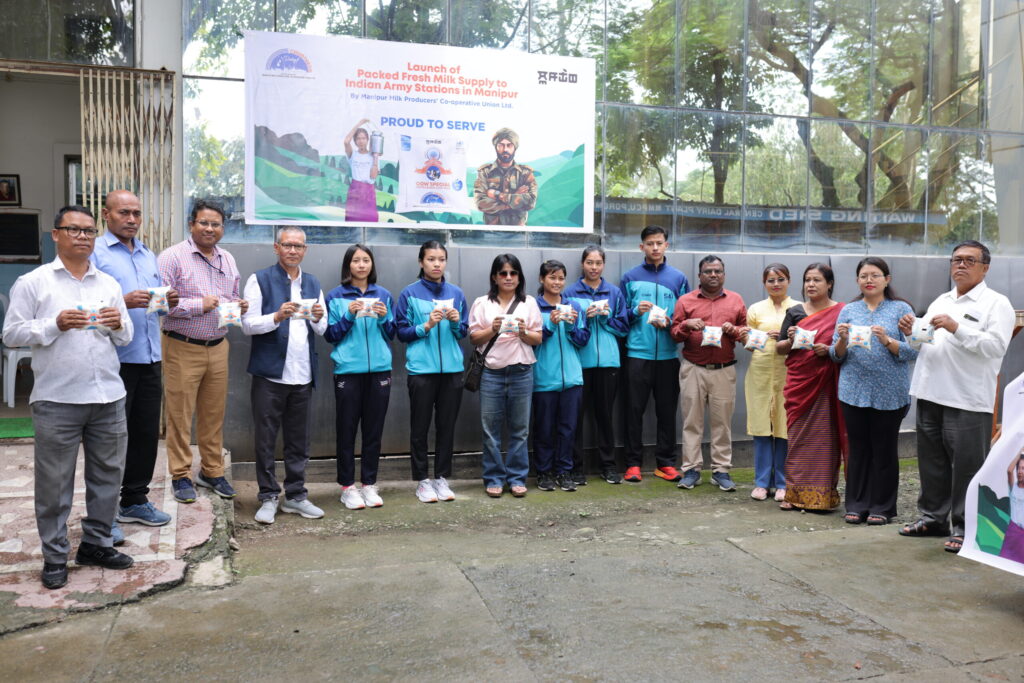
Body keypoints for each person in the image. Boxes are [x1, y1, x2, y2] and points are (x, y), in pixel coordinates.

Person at [3, 205, 135, 589]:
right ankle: (55, 555)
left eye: (89, 231)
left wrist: (118, 324)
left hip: (108, 396)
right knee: (54, 485)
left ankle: (97, 544)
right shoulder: (34, 282)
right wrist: (54, 324)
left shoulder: (108, 284)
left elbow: (125, 335)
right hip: (57, 399)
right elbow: (11, 333)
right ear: (56, 234)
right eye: (73, 229)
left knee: (108, 478)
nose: (82, 237)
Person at [897, 241, 1015, 553]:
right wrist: (910, 331)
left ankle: (966, 526)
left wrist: (956, 327)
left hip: (967, 398)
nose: (960, 265)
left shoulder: (996, 303)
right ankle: (934, 518)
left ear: (985, 267)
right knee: (931, 462)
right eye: (956, 260)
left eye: (969, 260)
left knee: (967, 466)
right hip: (930, 392)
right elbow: (923, 342)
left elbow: (996, 347)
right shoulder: (942, 300)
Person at [90, 190, 176, 538]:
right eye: (124, 212)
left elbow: (154, 306)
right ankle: (105, 514)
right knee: (110, 440)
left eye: (136, 213)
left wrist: (166, 300)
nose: (131, 219)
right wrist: (122, 302)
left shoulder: (147, 254)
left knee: (144, 433)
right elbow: (86, 303)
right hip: (114, 361)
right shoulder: (95, 252)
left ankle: (135, 500)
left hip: (150, 356)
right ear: (105, 214)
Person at [158, 199, 247, 504]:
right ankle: (180, 475)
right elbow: (160, 305)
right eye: (204, 223)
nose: (210, 229)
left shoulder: (228, 259)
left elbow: (231, 295)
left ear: (223, 228)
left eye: (216, 224)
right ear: (191, 224)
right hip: (182, 346)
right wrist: (199, 304)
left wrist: (239, 306)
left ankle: (211, 471)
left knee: (213, 415)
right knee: (180, 415)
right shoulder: (172, 257)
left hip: (218, 346)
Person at [241, 227, 327, 524]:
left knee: (298, 440)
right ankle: (267, 496)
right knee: (265, 439)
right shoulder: (259, 279)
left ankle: (295, 495)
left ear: (305, 250)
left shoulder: (313, 282)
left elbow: (322, 328)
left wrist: (317, 318)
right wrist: (276, 316)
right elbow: (248, 325)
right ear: (276, 247)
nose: (293, 250)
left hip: (302, 374)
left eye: (298, 246)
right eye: (287, 245)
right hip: (270, 375)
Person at [830, 257, 917, 526]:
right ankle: (856, 504)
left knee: (884, 449)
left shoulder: (901, 309)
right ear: (857, 280)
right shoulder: (849, 310)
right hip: (853, 390)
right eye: (864, 276)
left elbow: (913, 351)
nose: (869, 280)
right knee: (858, 449)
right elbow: (835, 355)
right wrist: (842, 339)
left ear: (887, 279)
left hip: (890, 392)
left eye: (875, 275)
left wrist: (887, 340)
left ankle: (883, 506)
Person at [394, 240, 468, 504]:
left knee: (446, 427)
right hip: (421, 370)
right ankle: (422, 480)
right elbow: (401, 332)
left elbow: (464, 331)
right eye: (431, 259)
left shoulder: (457, 293)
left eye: (441, 259)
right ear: (421, 262)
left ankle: (442, 478)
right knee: (420, 427)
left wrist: (457, 323)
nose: (437, 264)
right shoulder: (409, 293)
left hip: (452, 371)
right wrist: (425, 325)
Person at [324, 244, 396, 509]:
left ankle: (369, 484)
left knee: (373, 430)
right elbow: (331, 335)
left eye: (366, 260)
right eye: (356, 261)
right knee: (346, 429)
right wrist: (349, 315)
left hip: (380, 370)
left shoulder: (384, 295)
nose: (362, 265)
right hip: (348, 371)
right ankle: (347, 486)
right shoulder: (335, 296)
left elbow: (392, 333)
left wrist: (384, 317)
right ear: (348, 265)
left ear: (372, 264)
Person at [670, 255, 747, 492]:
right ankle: (691, 470)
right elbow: (674, 333)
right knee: (691, 422)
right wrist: (686, 325)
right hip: (693, 367)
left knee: (722, 423)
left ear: (724, 274)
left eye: (717, 271)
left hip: (723, 369)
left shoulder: (735, 300)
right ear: (699, 275)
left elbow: (746, 332)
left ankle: (721, 470)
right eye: (708, 271)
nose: (713, 275)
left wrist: (734, 330)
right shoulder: (686, 300)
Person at [468, 254, 543, 497]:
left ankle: (517, 478)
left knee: (520, 429)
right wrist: (493, 328)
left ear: (519, 277)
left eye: (513, 273)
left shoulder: (529, 302)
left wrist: (523, 332)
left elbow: (538, 338)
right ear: (494, 277)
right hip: (491, 372)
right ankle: (494, 477)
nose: (508, 277)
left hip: (521, 371)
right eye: (503, 273)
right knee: (490, 430)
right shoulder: (482, 303)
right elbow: (474, 338)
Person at [619, 225, 690, 483]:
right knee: (633, 411)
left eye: (659, 243)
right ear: (642, 247)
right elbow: (619, 317)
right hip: (637, 355)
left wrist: (670, 323)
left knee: (667, 412)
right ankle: (633, 464)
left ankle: (666, 463)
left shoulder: (679, 278)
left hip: (668, 357)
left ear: (666, 245)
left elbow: (685, 318)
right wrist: (634, 311)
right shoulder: (630, 277)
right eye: (650, 243)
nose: (655, 247)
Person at [776, 263, 845, 512]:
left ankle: (823, 496)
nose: (811, 285)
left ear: (829, 284)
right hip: (800, 383)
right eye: (807, 280)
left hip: (826, 383)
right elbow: (779, 348)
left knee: (825, 441)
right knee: (798, 440)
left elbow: (845, 346)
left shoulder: (841, 312)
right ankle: (794, 493)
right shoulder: (794, 311)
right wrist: (790, 339)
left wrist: (829, 350)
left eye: (817, 280)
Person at [565, 245, 629, 485]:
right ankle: (575, 467)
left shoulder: (614, 292)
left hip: (609, 363)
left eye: (598, 263)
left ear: (604, 265)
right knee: (576, 418)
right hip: (579, 363)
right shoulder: (570, 292)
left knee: (605, 416)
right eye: (589, 262)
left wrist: (605, 318)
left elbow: (623, 328)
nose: (594, 267)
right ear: (583, 264)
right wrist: (586, 318)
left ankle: (608, 466)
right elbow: (568, 327)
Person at [533, 260, 590, 493]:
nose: (557, 282)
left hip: (573, 378)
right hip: (544, 378)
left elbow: (583, 340)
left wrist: (570, 326)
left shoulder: (573, 306)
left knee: (568, 429)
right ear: (542, 279)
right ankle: (543, 472)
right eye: (552, 277)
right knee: (544, 429)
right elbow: (531, 341)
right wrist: (550, 325)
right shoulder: (533, 307)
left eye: (561, 278)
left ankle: (564, 471)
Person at [743, 263, 798, 501]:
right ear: (764, 283)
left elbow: (805, 340)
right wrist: (748, 337)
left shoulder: (798, 308)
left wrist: (786, 337)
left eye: (781, 279)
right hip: (760, 372)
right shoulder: (755, 309)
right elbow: (749, 343)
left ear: (789, 281)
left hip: (788, 373)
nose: (776, 284)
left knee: (784, 428)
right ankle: (762, 482)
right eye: (771, 280)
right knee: (761, 426)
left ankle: (783, 482)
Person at [473, 128, 538, 226]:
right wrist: (515, 197)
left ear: (515, 148)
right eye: (501, 145)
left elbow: (530, 202)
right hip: (492, 231)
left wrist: (498, 195)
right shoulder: (485, 172)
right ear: (496, 147)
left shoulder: (525, 173)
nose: (505, 149)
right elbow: (480, 203)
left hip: (518, 231)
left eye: (509, 145)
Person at [344, 118, 380, 222]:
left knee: (370, 220)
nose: (361, 141)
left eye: (363, 138)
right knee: (352, 220)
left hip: (368, 192)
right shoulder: (353, 155)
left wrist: (376, 157)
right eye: (358, 138)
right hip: (355, 191)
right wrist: (359, 123)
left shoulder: (373, 156)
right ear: (355, 141)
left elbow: (373, 176)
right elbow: (346, 141)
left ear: (368, 140)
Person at [998, 452, 1024, 563]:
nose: (1020, 471)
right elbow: (1009, 471)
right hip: (1012, 532)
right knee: (1004, 562)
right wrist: (1020, 452)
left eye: (1023, 468)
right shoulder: (1013, 487)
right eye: (1019, 468)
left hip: (1023, 536)